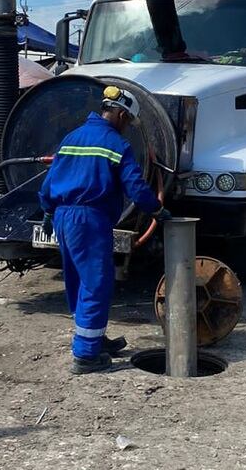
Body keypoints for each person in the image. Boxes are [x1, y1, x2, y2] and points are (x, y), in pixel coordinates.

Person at [39, 86, 171, 375]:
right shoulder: (116, 145)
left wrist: (48, 211)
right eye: (128, 122)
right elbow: (136, 187)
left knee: (77, 279)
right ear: (121, 114)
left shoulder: (71, 137)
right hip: (90, 218)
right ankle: (86, 356)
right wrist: (157, 210)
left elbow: (49, 184)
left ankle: (93, 337)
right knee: (97, 283)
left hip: (62, 216)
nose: (127, 129)